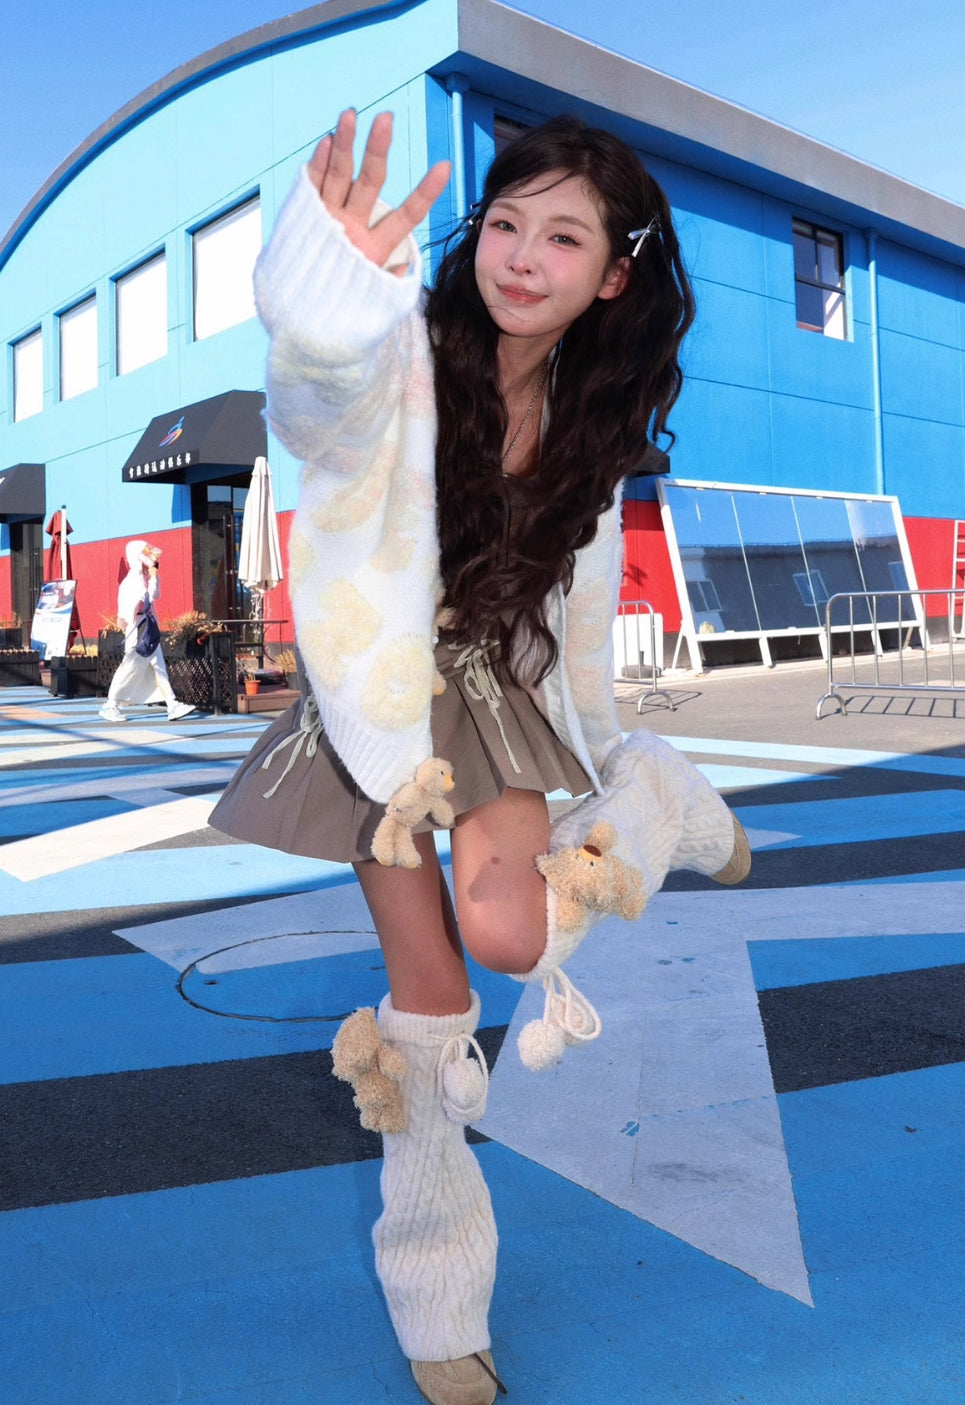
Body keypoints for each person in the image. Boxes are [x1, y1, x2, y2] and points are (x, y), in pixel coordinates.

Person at [210, 109, 749, 1405]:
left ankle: (659, 795)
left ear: (611, 274)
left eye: (561, 237)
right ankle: (438, 1298)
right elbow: (319, 407)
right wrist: (328, 295)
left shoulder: (590, 415)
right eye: (506, 223)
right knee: (426, 1011)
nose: (520, 255)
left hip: (493, 692)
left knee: (508, 937)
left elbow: (574, 614)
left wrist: (606, 759)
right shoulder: (407, 346)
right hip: (375, 702)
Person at [99, 540, 195, 723]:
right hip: (138, 630)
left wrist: (154, 577)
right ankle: (111, 704)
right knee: (130, 667)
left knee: (159, 667)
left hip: (147, 628)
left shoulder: (143, 578)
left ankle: (172, 704)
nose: (151, 560)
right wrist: (152, 577)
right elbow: (146, 597)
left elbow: (155, 594)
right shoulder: (132, 581)